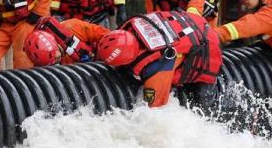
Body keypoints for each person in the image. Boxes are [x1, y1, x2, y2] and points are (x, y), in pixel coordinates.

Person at [95, 11, 223, 109]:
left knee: (203, 104)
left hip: (207, 45)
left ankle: (220, 97)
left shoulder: (156, 69)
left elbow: (156, 110)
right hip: (188, 21)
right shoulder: (129, 27)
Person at [23, 16, 110, 66]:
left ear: (54, 41)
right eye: (52, 61)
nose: (56, 57)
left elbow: (108, 36)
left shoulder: (73, 27)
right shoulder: (39, 60)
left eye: (55, 53)